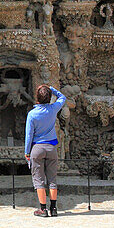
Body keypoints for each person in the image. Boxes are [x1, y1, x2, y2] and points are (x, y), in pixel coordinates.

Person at [24, 85, 66, 217]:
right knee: (52, 179)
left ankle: (43, 209)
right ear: (49, 98)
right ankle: (53, 208)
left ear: (37, 98)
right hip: (51, 147)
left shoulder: (32, 114)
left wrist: (27, 152)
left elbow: (29, 135)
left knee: (39, 179)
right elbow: (63, 97)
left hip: (37, 148)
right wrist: (51, 88)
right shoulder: (53, 109)